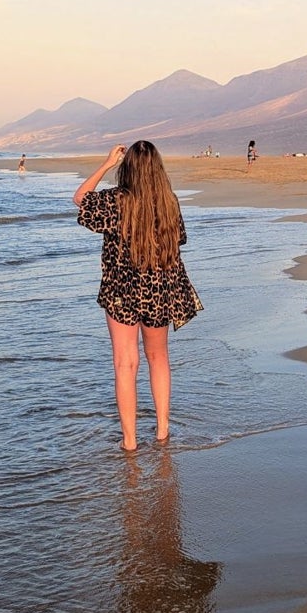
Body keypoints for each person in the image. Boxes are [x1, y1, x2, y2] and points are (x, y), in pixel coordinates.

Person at [74, 141, 202, 451]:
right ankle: (161, 431)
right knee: (158, 358)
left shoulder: (116, 201)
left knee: (125, 364)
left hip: (121, 291)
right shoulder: (169, 202)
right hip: (159, 290)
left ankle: (130, 441)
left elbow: (80, 199)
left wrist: (106, 164)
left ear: (127, 168)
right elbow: (179, 240)